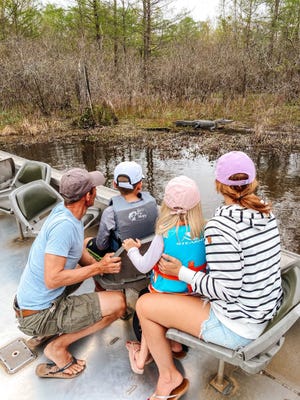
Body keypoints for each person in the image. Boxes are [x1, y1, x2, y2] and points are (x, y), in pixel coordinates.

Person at [135, 151, 283, 400]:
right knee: (170, 300)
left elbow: (227, 290)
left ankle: (169, 377)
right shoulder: (268, 214)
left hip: (236, 326)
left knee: (144, 305)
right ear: (254, 181)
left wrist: (180, 271)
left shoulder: (221, 226)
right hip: (260, 312)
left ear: (219, 184)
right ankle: (174, 346)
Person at [14, 168, 126, 379]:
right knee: (118, 305)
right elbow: (52, 279)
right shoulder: (64, 227)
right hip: (38, 315)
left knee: (83, 248)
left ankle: (49, 330)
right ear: (88, 196)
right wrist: (99, 268)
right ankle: (57, 346)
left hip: (32, 303)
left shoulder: (65, 211)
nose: (95, 191)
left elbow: (78, 249)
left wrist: (99, 270)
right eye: (93, 189)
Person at [122, 175, 206, 374]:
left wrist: (131, 249)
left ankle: (141, 358)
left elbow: (144, 266)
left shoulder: (164, 234)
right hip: (193, 294)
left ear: (167, 205)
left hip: (166, 294)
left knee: (147, 305)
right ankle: (175, 346)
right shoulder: (205, 229)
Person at [85, 160, 158, 290]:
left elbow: (101, 245)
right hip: (148, 262)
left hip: (121, 267)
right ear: (139, 185)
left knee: (86, 243)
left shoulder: (110, 213)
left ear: (114, 184)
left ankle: (100, 287)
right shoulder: (153, 205)